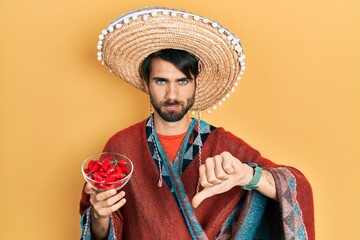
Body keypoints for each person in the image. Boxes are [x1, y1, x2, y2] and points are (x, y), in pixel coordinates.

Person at [80, 7, 314, 240]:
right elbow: (101, 233)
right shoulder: (122, 145)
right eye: (161, 81)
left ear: (196, 83)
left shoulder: (224, 144)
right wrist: (100, 218)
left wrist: (247, 176)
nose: (172, 94)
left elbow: (297, 187)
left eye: (182, 81)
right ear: (146, 82)